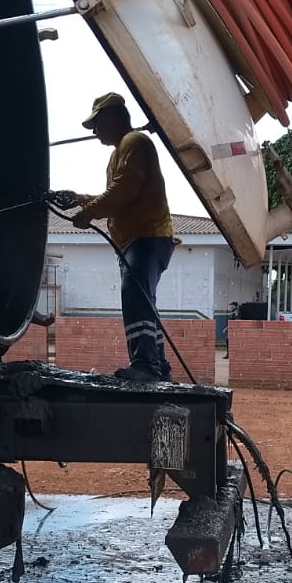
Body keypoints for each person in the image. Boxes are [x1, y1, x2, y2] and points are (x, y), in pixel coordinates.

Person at [71, 92, 175, 383]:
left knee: (135, 295)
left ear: (114, 117)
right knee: (143, 299)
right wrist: (81, 200)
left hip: (147, 236)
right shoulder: (120, 151)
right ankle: (158, 367)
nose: (94, 131)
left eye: (97, 123)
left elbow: (123, 190)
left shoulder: (135, 142)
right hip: (139, 239)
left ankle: (145, 366)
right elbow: (118, 196)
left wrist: (89, 212)